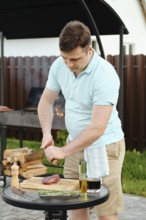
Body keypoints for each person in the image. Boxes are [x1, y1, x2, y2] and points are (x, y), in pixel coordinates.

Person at [38, 20, 125, 220]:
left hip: (105, 147)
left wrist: (62, 151)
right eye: (64, 57)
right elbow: (45, 102)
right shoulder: (60, 65)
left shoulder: (104, 75)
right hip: (75, 145)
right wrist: (46, 134)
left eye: (74, 59)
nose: (68, 64)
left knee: (105, 212)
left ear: (89, 50)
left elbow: (97, 128)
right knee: (76, 205)